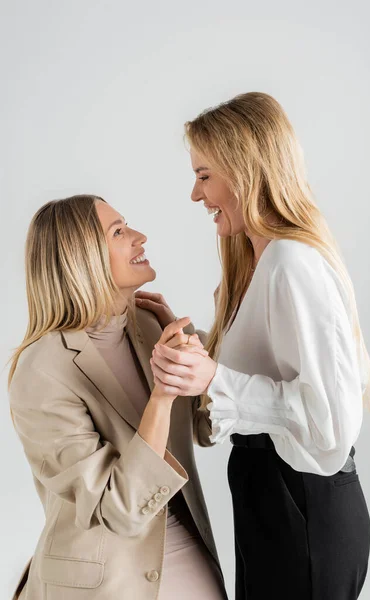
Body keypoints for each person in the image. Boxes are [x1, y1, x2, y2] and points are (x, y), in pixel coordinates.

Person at [141, 92, 370, 600]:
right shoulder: (261, 261)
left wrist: (214, 380)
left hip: (301, 504)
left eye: (204, 175)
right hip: (271, 497)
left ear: (244, 170)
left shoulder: (292, 263)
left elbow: (329, 424)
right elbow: (272, 368)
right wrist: (197, 345)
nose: (195, 194)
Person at [8, 195, 227, 600]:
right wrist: (161, 396)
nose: (140, 237)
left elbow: (205, 427)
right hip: (104, 583)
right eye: (119, 232)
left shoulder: (147, 325)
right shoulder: (41, 369)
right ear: (81, 256)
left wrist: (194, 347)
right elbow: (120, 509)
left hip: (191, 555)